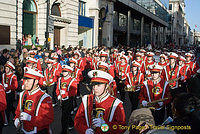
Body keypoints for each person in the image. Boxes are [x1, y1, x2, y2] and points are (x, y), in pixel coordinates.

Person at [14, 68, 54, 133]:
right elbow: (19, 110)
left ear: (36, 82)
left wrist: (30, 118)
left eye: (28, 81)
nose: (25, 83)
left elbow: (48, 119)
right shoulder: (23, 94)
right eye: (25, 80)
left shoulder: (45, 98)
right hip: (24, 130)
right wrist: (16, 118)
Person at [56, 65, 78, 133]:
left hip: (68, 100)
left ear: (69, 72)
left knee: (64, 117)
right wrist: (58, 94)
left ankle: (64, 131)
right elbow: (57, 89)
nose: (64, 73)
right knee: (66, 113)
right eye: (63, 71)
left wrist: (65, 94)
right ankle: (71, 124)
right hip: (61, 100)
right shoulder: (60, 79)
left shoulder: (72, 80)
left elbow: (74, 92)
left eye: (65, 71)